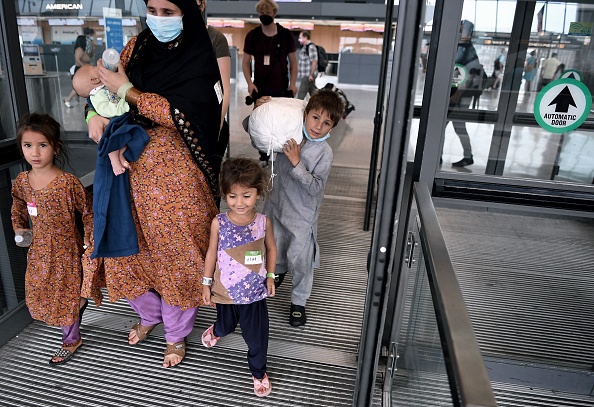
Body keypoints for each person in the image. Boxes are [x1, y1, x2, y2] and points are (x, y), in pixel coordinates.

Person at [86, 0, 223, 368]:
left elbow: (184, 115)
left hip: (177, 182)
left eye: (168, 11)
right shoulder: (136, 47)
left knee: (179, 254)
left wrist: (130, 91)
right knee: (130, 251)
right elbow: (103, 89)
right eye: (152, 9)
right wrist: (92, 113)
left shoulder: (199, 57)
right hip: (126, 174)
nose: (158, 19)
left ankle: (176, 334)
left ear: (189, 12)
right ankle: (150, 315)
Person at [11, 113, 96, 365]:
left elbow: (89, 213)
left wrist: (89, 241)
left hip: (66, 254)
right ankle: (77, 307)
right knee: (42, 292)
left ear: (55, 147)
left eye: (42, 145)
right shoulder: (22, 182)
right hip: (37, 253)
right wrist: (20, 229)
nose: (34, 152)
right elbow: (16, 206)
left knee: (66, 297)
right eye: (28, 145)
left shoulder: (68, 183)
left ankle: (71, 340)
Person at [260, 89, 344, 327]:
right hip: (276, 206)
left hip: (302, 215)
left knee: (301, 259)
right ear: (305, 114)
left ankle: (298, 301)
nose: (318, 126)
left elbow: (316, 187)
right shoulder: (289, 131)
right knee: (274, 244)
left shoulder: (324, 153)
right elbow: (256, 131)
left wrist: (297, 163)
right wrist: (261, 108)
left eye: (326, 122)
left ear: (332, 128)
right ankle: (277, 271)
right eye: (315, 117)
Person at [201, 157, 277, 397]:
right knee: (226, 325)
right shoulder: (219, 222)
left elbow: (272, 249)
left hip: (254, 294)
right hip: (225, 291)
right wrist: (206, 283)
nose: (240, 202)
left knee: (257, 339)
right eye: (232, 196)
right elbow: (211, 252)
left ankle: (258, 372)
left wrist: (271, 276)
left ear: (258, 193)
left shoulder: (263, 222)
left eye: (247, 195)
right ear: (225, 194)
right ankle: (217, 330)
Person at [242, 0, 297, 168]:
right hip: (261, 87)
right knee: (261, 122)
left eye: (268, 12)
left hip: (281, 88)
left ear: (274, 13)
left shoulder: (285, 35)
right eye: (262, 12)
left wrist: (293, 84)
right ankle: (264, 155)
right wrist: (250, 83)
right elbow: (245, 62)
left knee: (282, 121)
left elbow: (293, 63)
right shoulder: (253, 36)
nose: (265, 15)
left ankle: (280, 154)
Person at [72, 64, 132, 175]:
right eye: (95, 67)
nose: (100, 66)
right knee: (110, 139)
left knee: (122, 143)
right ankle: (115, 162)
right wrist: (126, 106)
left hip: (121, 119)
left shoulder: (105, 86)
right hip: (113, 121)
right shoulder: (97, 96)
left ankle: (121, 156)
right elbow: (107, 110)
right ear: (95, 79)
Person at [198, 0, 231, 198]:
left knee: (209, 188)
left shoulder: (214, 38)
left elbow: (224, 88)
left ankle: (213, 228)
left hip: (210, 124)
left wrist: (216, 127)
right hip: (178, 126)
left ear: (202, 4)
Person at [446, 20, 482, 167]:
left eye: (461, 29)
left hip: (459, 95)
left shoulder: (464, 50)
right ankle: (466, 155)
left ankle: (467, 156)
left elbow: (466, 73)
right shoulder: (464, 49)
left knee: (456, 126)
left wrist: (457, 94)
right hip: (458, 94)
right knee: (456, 126)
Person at [64, 35, 92, 108]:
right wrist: (84, 66)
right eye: (85, 40)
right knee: (79, 86)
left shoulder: (82, 49)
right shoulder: (79, 49)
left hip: (82, 68)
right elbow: (78, 60)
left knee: (83, 85)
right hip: (80, 69)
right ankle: (68, 99)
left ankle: (72, 98)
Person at [296, 31, 318, 100]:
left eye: (300, 37)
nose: (299, 39)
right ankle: (321, 105)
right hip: (306, 75)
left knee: (300, 95)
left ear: (305, 37)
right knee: (314, 93)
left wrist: (311, 74)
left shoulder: (311, 47)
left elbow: (314, 61)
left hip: (308, 75)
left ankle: (298, 109)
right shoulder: (305, 47)